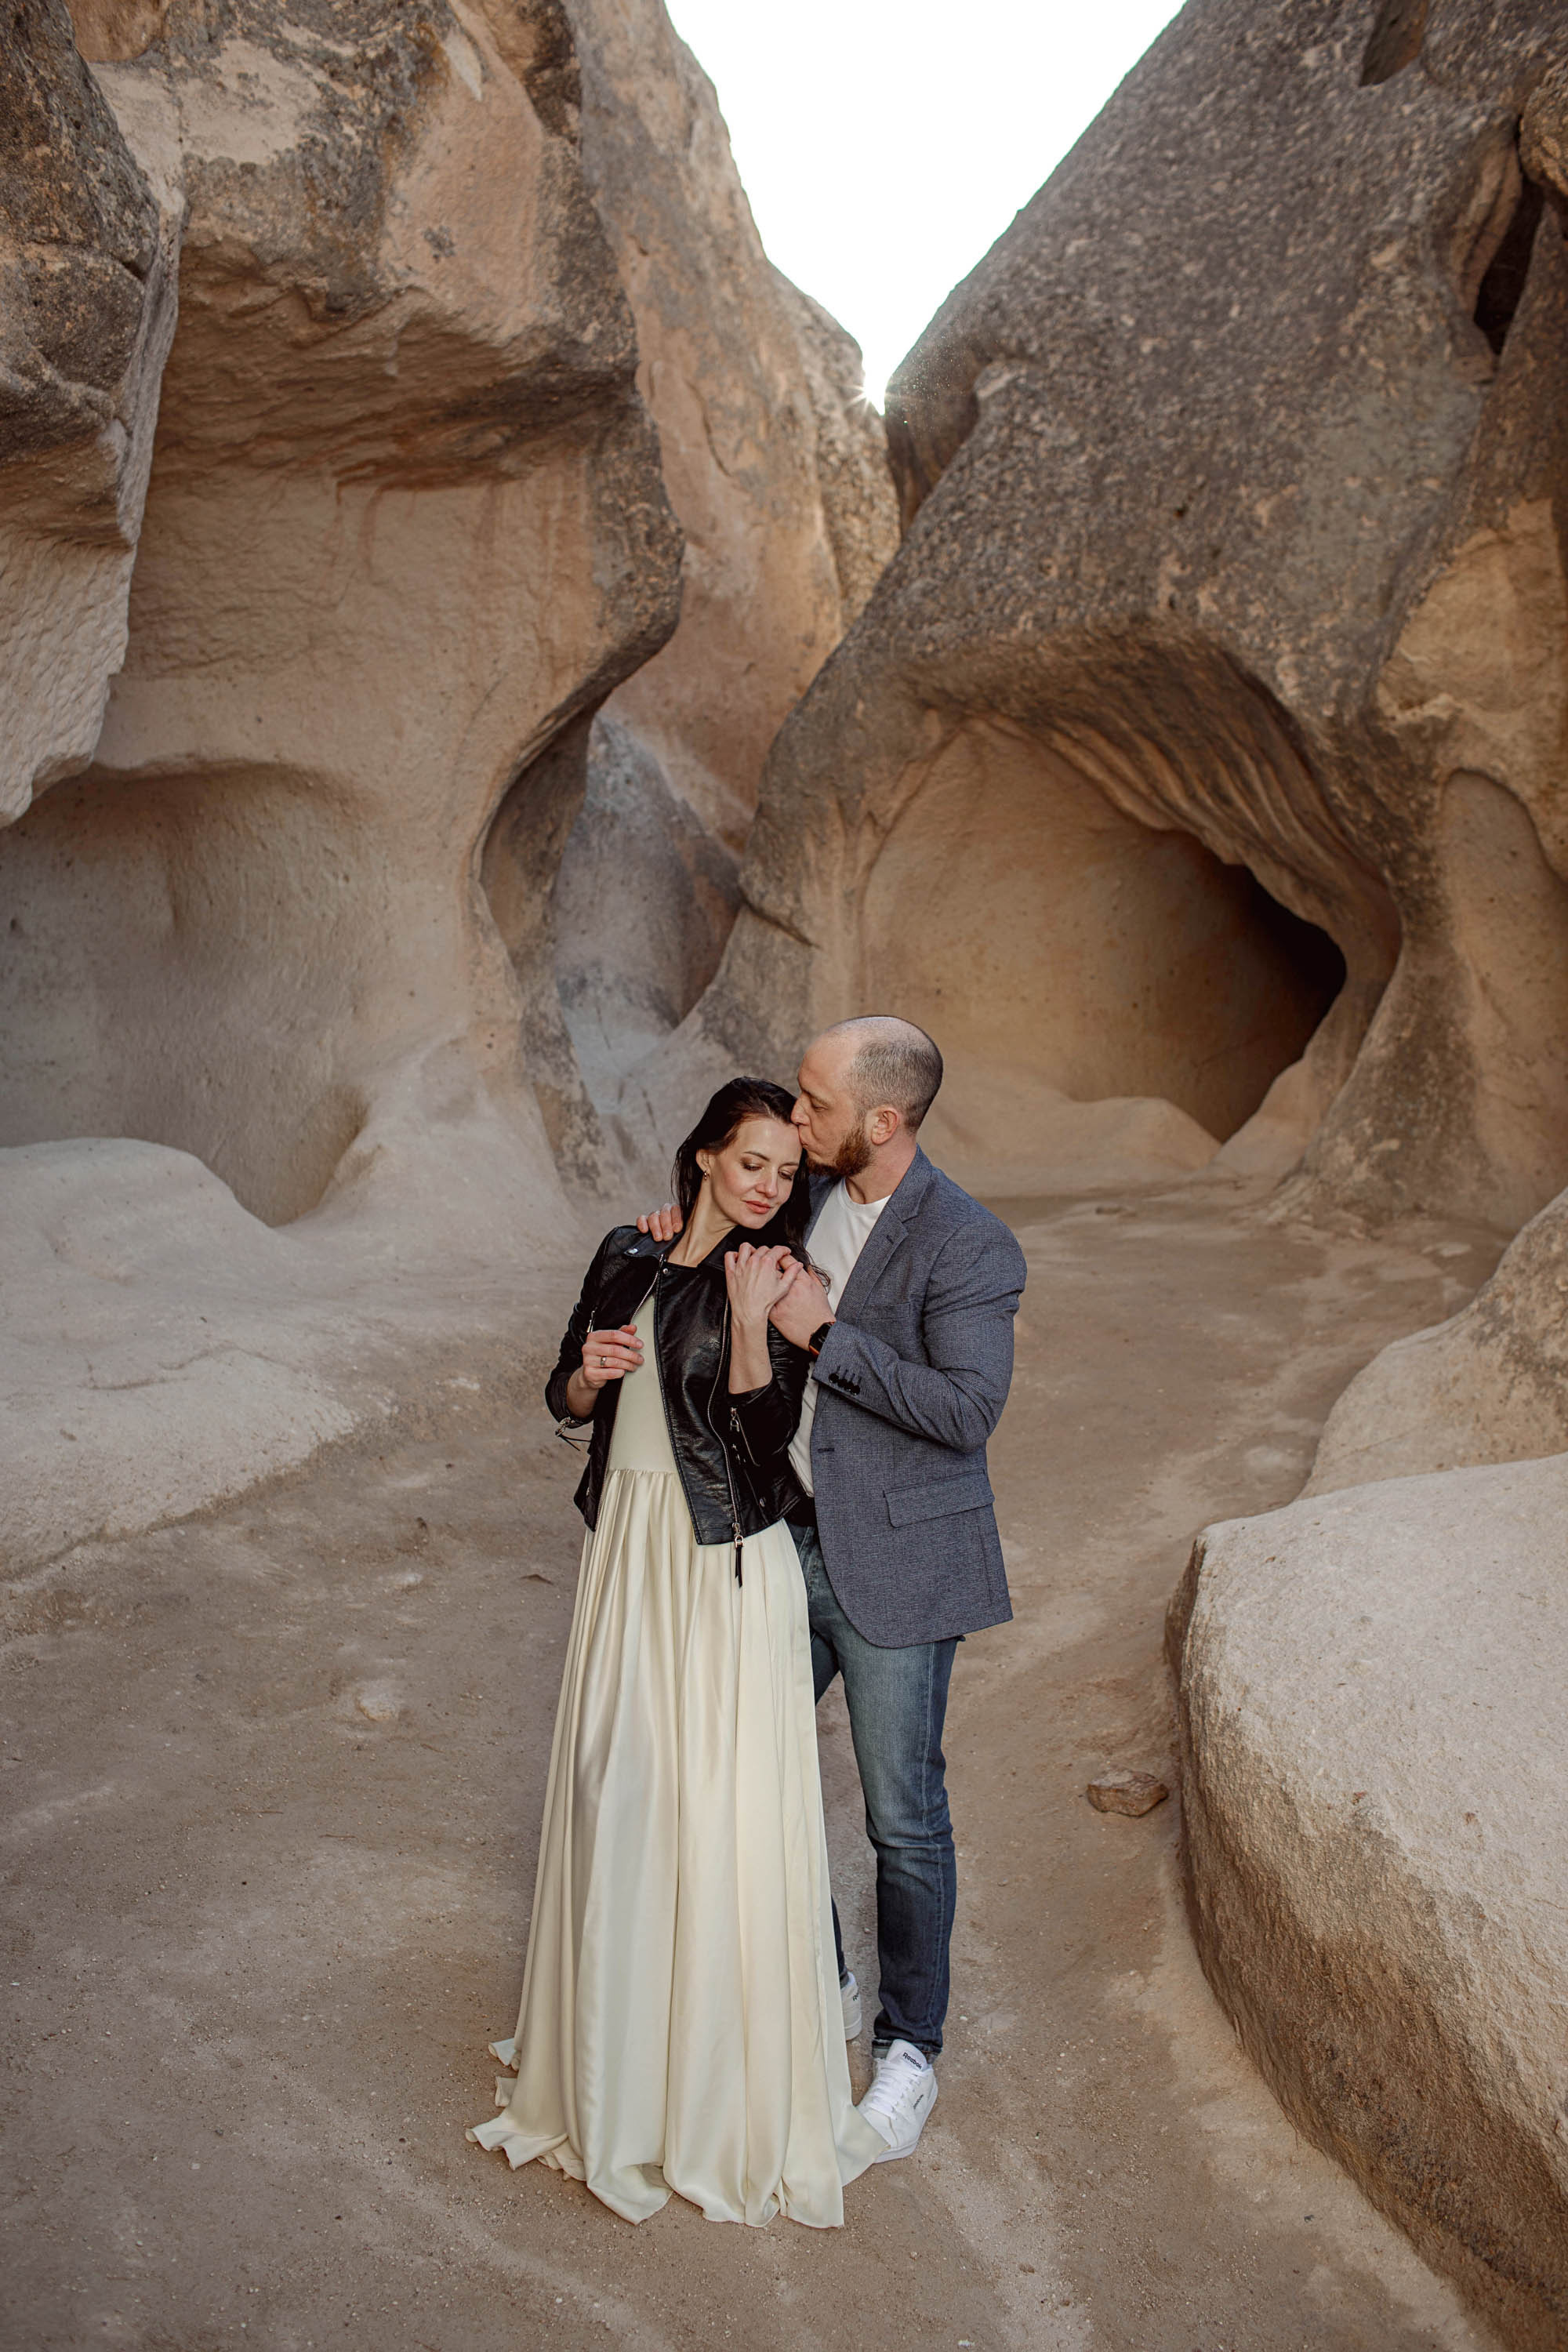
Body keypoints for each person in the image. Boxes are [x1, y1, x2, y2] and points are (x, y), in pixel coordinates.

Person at [468, 1076, 883, 2227]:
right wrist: (587, 1375)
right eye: (751, 1163)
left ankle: (701, 2098)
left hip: (722, 1567)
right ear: (703, 1157)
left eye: (786, 1173)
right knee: (619, 1795)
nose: (769, 1187)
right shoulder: (625, 1252)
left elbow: (765, 1447)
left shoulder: (780, 1278)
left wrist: (751, 1325)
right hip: (627, 1553)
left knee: (714, 1815)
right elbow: (565, 1395)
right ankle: (616, 2069)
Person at [639, 1018, 1026, 2163]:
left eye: (814, 1106)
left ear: (883, 1121)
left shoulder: (970, 1244)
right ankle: (827, 1980)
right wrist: (679, 1230)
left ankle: (910, 2049)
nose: (796, 1121)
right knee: (749, 1771)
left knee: (902, 1819)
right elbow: (725, 1234)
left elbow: (966, 1411)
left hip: (897, 1563)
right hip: (781, 1541)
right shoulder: (803, 1197)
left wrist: (826, 1333)